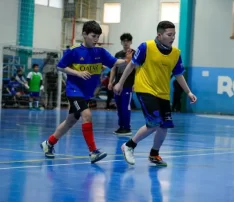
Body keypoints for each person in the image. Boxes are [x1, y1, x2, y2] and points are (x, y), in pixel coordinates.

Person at [114, 21, 197, 166]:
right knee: (153, 123)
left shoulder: (176, 53)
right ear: (159, 35)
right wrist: (120, 82)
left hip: (163, 93)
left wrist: (188, 92)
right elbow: (132, 65)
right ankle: (129, 145)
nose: (172, 38)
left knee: (164, 126)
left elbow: (178, 74)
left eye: (174, 35)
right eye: (169, 35)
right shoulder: (146, 47)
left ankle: (154, 154)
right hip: (145, 89)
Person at [40, 20, 125, 163]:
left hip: (86, 93)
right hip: (74, 90)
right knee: (87, 115)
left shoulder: (101, 52)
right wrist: (77, 73)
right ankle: (93, 152)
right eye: (93, 36)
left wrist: (130, 60)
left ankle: (49, 143)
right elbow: (60, 67)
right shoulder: (74, 51)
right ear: (84, 34)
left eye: (98, 36)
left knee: (70, 121)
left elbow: (115, 62)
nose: (96, 39)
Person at [108, 33, 135, 136]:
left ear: (131, 42)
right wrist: (111, 82)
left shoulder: (134, 53)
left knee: (125, 107)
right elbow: (113, 69)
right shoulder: (118, 54)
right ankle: (121, 127)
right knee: (119, 106)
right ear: (121, 42)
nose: (126, 43)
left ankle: (127, 128)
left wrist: (135, 83)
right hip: (117, 85)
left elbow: (137, 70)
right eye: (124, 41)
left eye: (128, 41)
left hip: (128, 85)